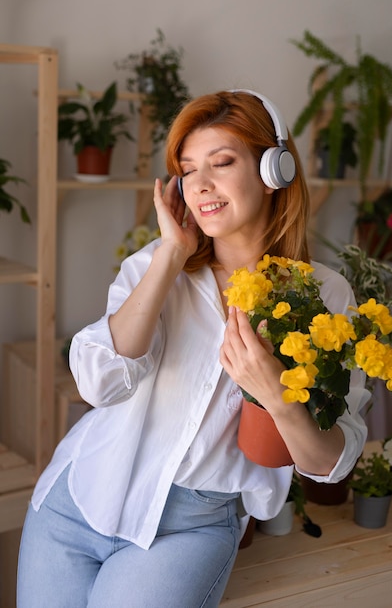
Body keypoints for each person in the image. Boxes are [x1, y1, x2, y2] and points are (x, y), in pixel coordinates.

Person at [17, 89, 369, 608]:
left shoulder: (326, 298)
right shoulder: (154, 267)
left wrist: (276, 395)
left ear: (275, 171)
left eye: (222, 163)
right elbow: (97, 383)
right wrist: (170, 256)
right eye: (188, 169)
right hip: (76, 502)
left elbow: (332, 463)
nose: (200, 184)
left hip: (191, 527)